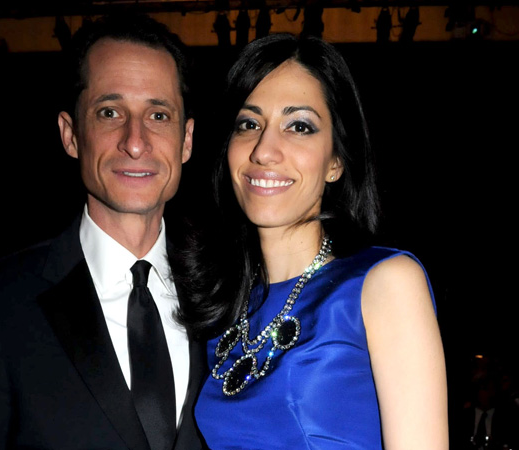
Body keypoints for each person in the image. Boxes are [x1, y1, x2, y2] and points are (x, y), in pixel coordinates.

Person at [0, 14, 207, 450]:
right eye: (109, 112)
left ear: (186, 139)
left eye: (158, 115)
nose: (135, 141)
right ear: (71, 135)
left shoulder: (226, 292)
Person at [180, 33, 448, 449]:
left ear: (336, 161)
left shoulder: (385, 283)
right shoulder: (221, 306)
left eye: (299, 126)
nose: (264, 150)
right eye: (249, 124)